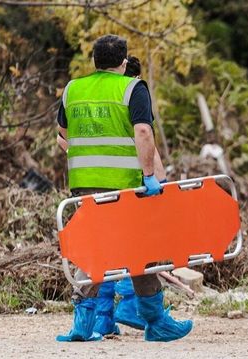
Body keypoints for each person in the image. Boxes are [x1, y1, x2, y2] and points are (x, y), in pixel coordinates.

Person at [55, 34, 192, 342]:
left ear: (94, 61)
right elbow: (143, 130)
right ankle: (156, 321)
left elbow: (62, 132)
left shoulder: (73, 90)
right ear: (124, 62)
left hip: (84, 185)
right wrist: (149, 175)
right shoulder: (132, 87)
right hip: (124, 187)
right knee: (140, 249)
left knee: (93, 249)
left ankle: (83, 325)